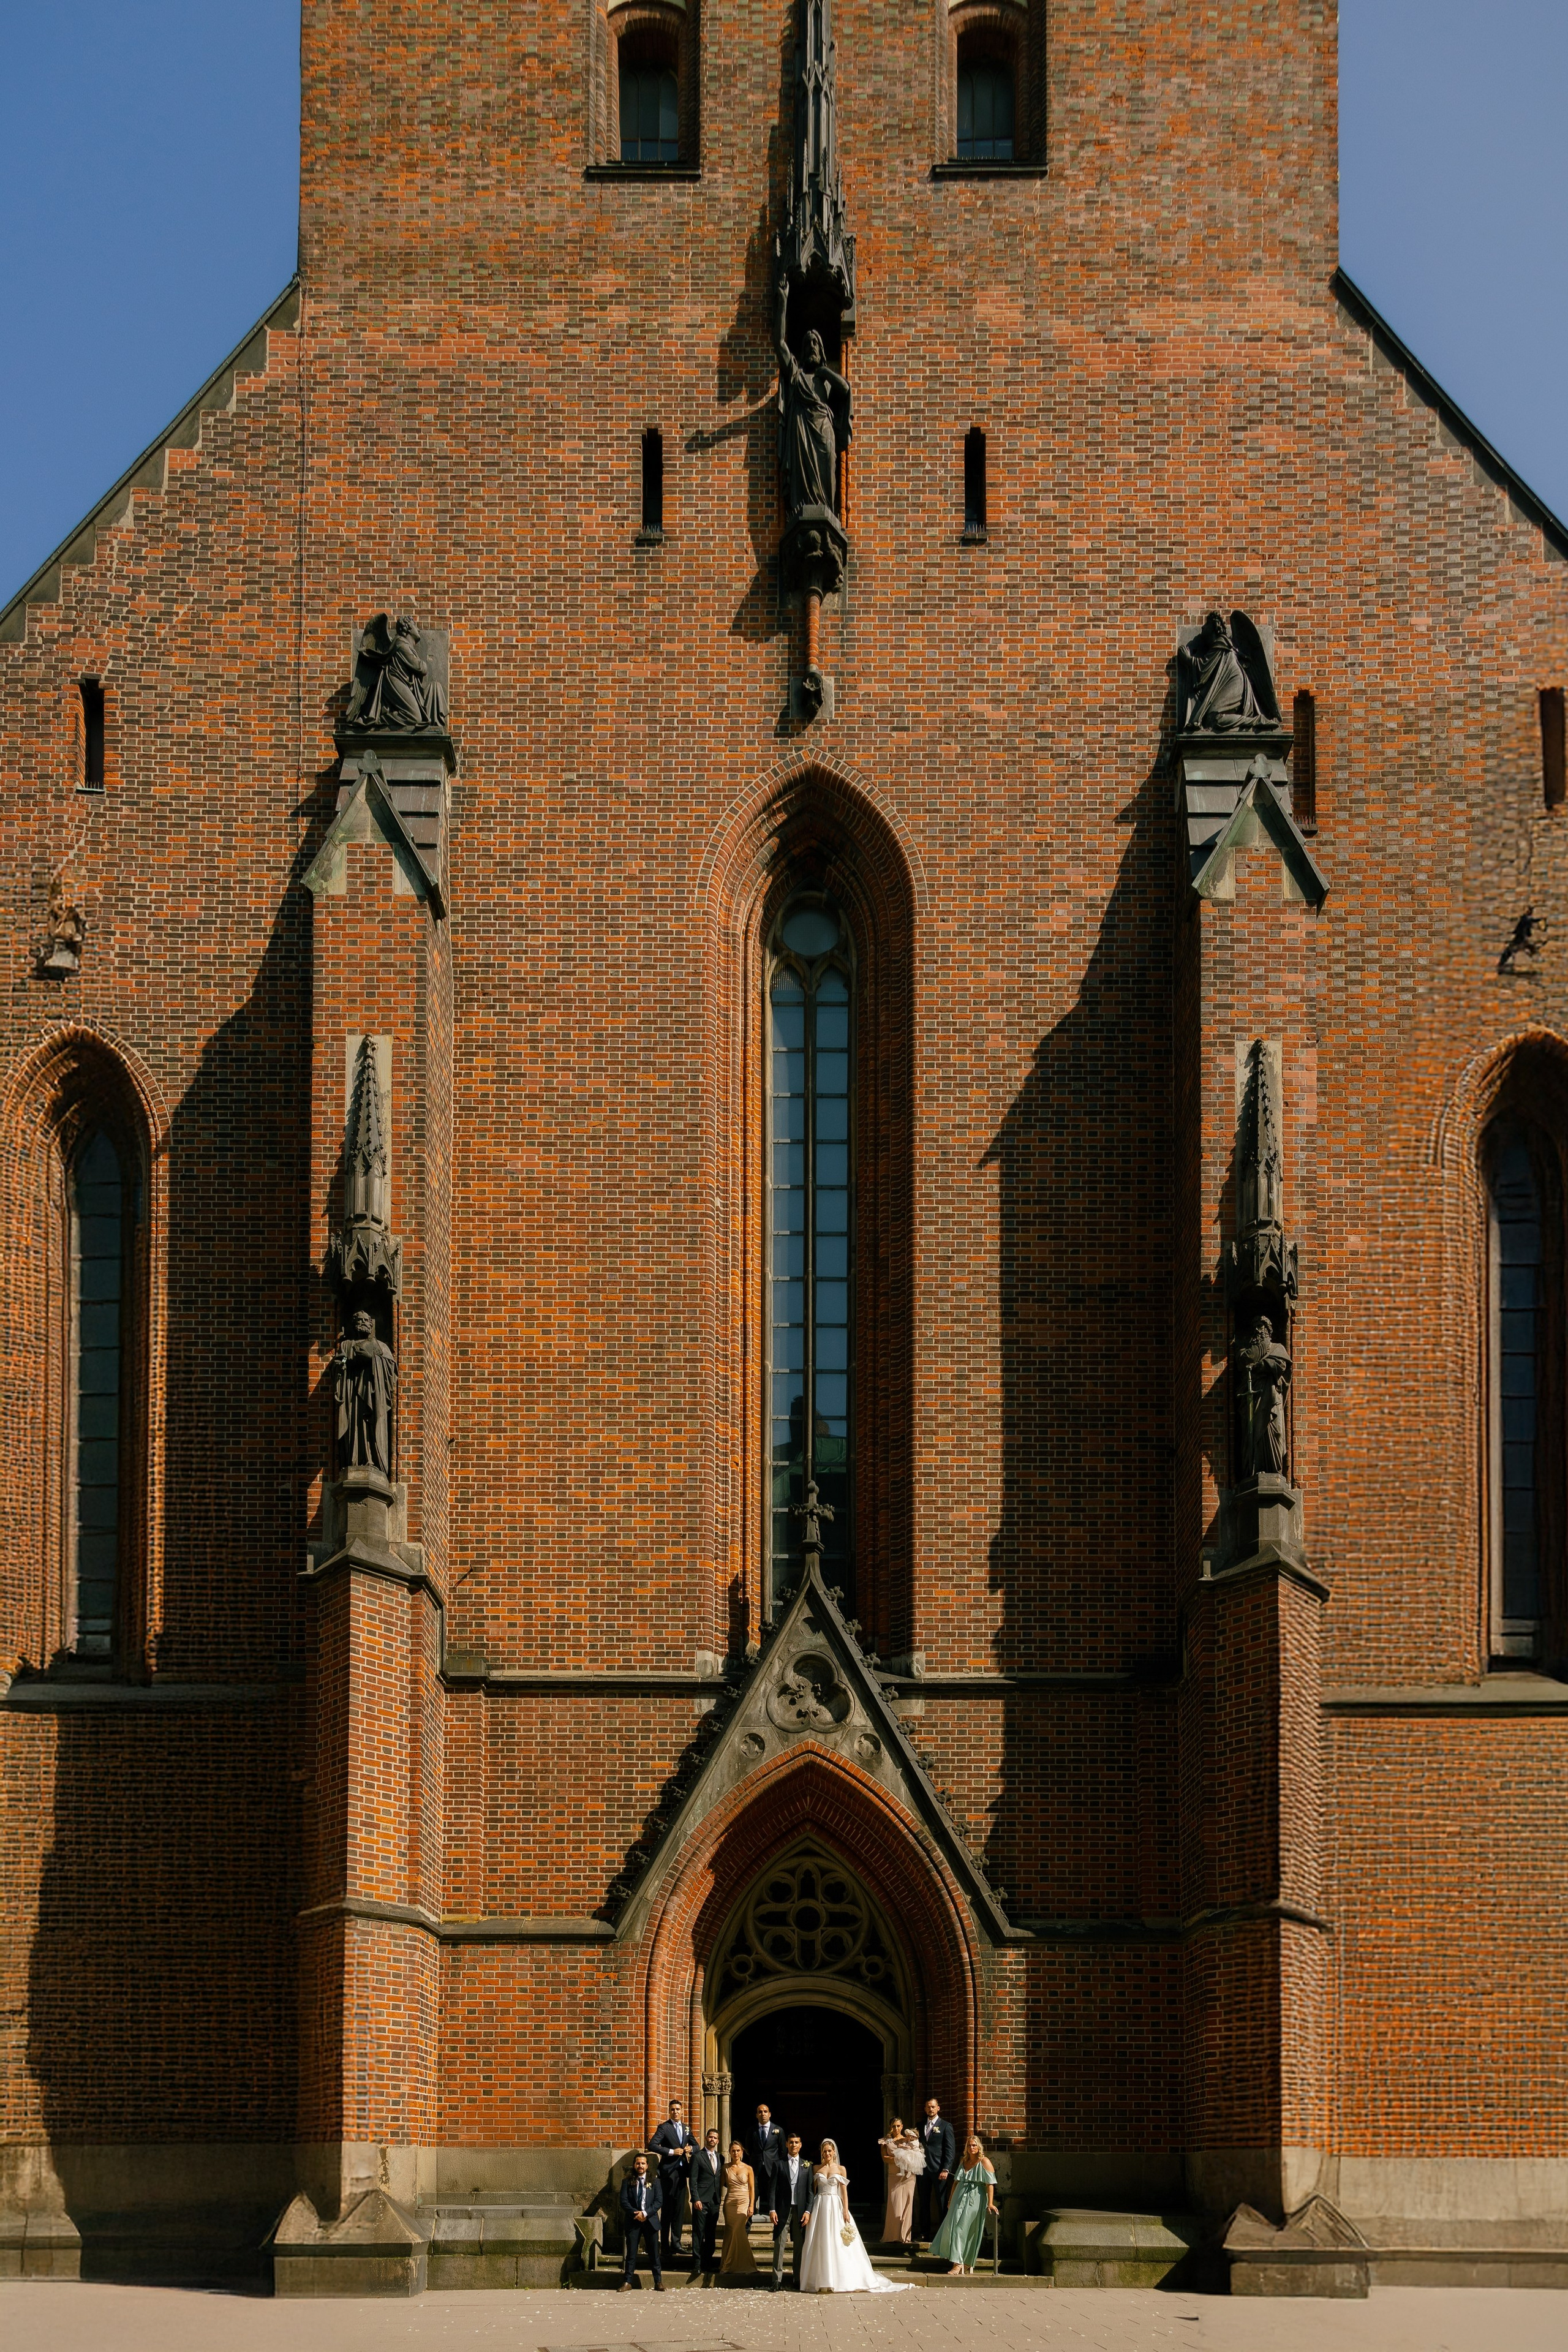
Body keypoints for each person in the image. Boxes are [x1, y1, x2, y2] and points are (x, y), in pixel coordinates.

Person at [797, 2138, 917, 2294]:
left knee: (836, 2240)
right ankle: (820, 2279)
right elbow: (812, 2192)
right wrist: (810, 2210)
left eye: (829, 2151)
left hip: (835, 2206)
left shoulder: (841, 2169)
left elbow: (844, 2192)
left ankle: (838, 2278)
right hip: (820, 2206)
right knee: (820, 2240)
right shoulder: (816, 2169)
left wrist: (845, 2211)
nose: (827, 2154)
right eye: (824, 2151)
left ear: (834, 2153)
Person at [929, 2133, 998, 2276]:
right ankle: (960, 2261)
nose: (972, 2147)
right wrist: (950, 2200)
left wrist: (990, 2203)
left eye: (974, 2145)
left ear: (979, 2147)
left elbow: (990, 2184)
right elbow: (956, 2183)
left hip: (976, 2198)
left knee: (963, 2229)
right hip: (959, 2197)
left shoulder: (984, 2162)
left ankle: (959, 2263)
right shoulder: (963, 2161)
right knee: (952, 2226)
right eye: (969, 2145)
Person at [647, 2098, 694, 2267]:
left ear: (682, 2112)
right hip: (668, 2174)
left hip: (682, 2174)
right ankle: (665, 2245)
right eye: (673, 2109)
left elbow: (696, 2145)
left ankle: (677, 2243)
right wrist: (671, 2151)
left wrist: (691, 2149)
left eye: (678, 2109)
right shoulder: (664, 2128)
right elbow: (652, 2145)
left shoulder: (686, 2128)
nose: (675, 2112)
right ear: (670, 2111)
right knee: (667, 2210)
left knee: (679, 2209)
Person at [769, 2132, 812, 2290]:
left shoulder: (807, 2165)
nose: (794, 2145)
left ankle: (798, 2278)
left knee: (799, 2245)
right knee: (779, 2243)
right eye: (791, 2142)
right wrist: (772, 2209)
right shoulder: (778, 2164)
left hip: (800, 2210)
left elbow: (810, 2192)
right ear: (787, 2144)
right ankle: (776, 2280)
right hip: (782, 2209)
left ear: (801, 2145)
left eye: (797, 2142)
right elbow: (772, 2189)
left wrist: (808, 2211)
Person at [618, 2152, 665, 2291]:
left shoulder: (655, 2182)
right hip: (633, 2220)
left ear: (647, 2166)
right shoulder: (627, 2182)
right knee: (631, 2253)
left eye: (643, 2163)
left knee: (654, 2254)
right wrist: (636, 2214)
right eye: (638, 2163)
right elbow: (624, 2201)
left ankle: (658, 2281)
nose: (640, 2166)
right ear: (634, 2165)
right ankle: (627, 2282)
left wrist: (645, 2213)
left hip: (650, 2220)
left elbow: (658, 2201)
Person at [877, 2120, 924, 2248]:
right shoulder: (886, 2141)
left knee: (908, 2205)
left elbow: (916, 2154)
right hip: (894, 2176)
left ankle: (904, 2236)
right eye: (894, 2126)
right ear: (890, 2127)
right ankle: (892, 2236)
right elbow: (885, 2158)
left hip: (908, 2177)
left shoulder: (907, 2140)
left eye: (898, 2126)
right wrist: (899, 2159)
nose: (896, 2128)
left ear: (902, 2127)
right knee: (894, 2204)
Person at [916, 2098, 956, 2242]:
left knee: (943, 2202)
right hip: (923, 2169)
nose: (930, 2109)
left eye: (933, 2107)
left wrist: (946, 2168)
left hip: (940, 2170)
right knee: (924, 2202)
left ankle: (943, 2235)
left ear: (938, 2108)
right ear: (925, 2109)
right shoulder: (919, 2126)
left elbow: (950, 2150)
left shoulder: (946, 2126)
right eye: (928, 2107)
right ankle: (924, 2233)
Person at [718, 2139, 758, 2278]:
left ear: (742, 2152)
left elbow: (752, 2189)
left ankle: (728, 2264)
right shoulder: (725, 2168)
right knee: (730, 2232)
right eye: (733, 2150)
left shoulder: (748, 2169)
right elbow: (720, 2185)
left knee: (737, 2230)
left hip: (744, 2201)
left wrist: (752, 2205)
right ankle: (733, 2264)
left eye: (738, 2150)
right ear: (730, 2152)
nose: (735, 2153)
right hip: (730, 2202)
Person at [688, 2128, 723, 2274]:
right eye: (710, 2137)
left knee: (711, 2233)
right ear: (706, 2138)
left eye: (715, 2138)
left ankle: (707, 2262)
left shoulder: (721, 2158)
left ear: (718, 2141)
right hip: (701, 2201)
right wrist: (695, 2198)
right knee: (698, 2232)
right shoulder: (698, 2156)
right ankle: (697, 2264)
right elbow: (693, 2180)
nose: (712, 2140)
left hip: (715, 2200)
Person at [745, 2102, 783, 2215]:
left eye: (765, 2111)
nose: (763, 2114)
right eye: (760, 2112)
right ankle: (749, 2221)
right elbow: (748, 2148)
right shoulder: (752, 2130)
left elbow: (783, 2151)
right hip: (756, 2168)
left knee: (773, 2193)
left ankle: (774, 2216)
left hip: (772, 2168)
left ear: (770, 2114)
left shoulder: (778, 2130)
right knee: (753, 2193)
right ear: (757, 2115)